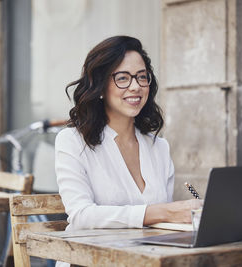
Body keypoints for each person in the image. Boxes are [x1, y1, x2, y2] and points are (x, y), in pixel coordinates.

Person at [55, 36, 202, 234]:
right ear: (99, 87)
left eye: (142, 76)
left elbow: (161, 225)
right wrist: (163, 212)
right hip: (89, 259)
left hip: (147, 255)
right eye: (122, 78)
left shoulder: (159, 147)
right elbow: (81, 215)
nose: (136, 86)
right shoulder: (72, 142)